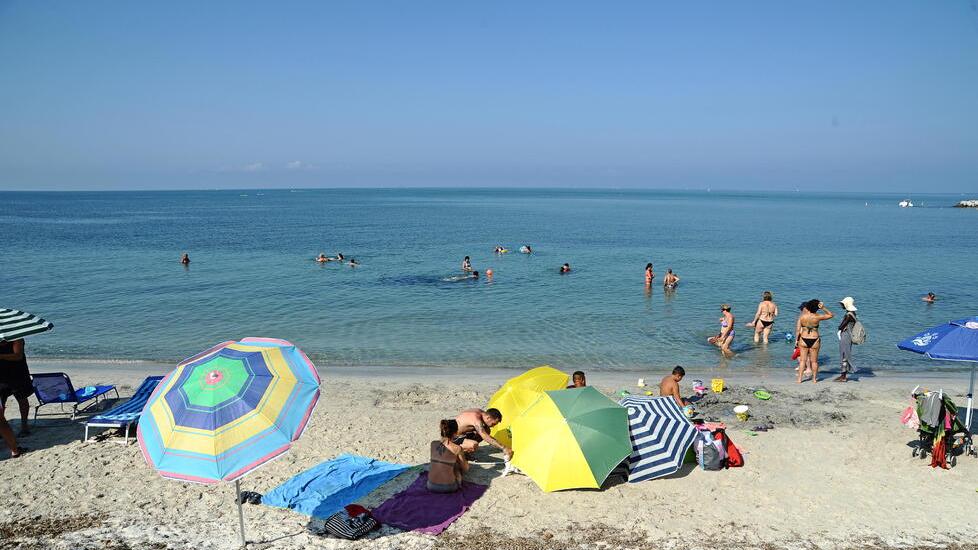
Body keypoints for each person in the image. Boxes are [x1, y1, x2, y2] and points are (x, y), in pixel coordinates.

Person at [797, 299, 834, 384]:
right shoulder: (818, 316)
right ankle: (814, 379)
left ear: (808, 307)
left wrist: (797, 340)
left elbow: (798, 329)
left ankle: (799, 379)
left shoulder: (802, 316)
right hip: (814, 339)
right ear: (817, 308)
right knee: (814, 361)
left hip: (804, 338)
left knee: (802, 361)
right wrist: (823, 308)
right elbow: (831, 315)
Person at [0, 338, 31, 438]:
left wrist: (1, 356)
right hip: (2, 375)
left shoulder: (16, 337)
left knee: (22, 399)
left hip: (18, 373)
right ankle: (2, 427)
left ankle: (24, 426)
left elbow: (18, 356)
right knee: (1, 402)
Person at [429, 419, 469, 493]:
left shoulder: (433, 444)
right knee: (456, 465)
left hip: (430, 485)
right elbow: (465, 468)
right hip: (449, 487)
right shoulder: (457, 448)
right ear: (455, 433)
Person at [835, 297, 858, 382]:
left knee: (844, 355)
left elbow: (841, 326)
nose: (841, 305)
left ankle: (844, 376)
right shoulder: (853, 313)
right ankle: (843, 375)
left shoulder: (848, 315)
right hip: (849, 336)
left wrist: (839, 327)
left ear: (846, 304)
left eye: (842, 304)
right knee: (845, 354)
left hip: (846, 335)